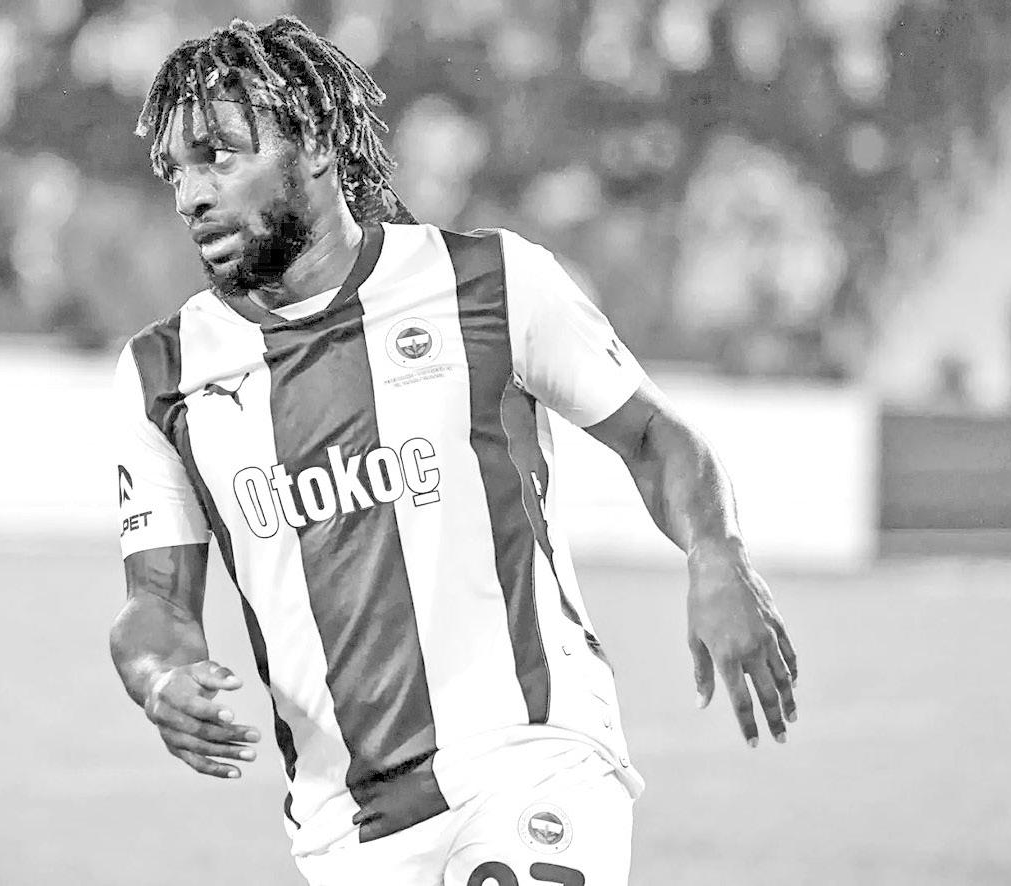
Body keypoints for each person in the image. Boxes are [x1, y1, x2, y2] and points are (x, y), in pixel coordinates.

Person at [109, 16, 798, 886]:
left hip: (532, 759)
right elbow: (155, 601)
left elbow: (654, 437)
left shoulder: (492, 283)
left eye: (218, 157)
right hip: (345, 826)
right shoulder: (164, 375)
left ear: (314, 143)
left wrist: (715, 554)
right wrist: (159, 676)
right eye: (175, 170)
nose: (190, 195)